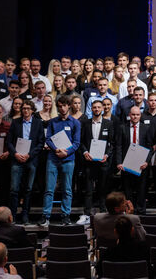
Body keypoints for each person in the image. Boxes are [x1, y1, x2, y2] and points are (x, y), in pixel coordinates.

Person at [41, 95, 82, 225]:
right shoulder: (53, 122)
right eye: (60, 106)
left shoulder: (75, 122)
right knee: (49, 189)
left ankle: (65, 215)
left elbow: (76, 143)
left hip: (68, 159)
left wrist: (66, 152)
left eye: (64, 105)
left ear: (69, 106)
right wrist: (56, 150)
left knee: (67, 189)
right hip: (53, 158)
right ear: (57, 107)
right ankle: (46, 216)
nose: (62, 108)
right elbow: (48, 139)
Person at [79, 98, 116, 221]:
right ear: (91, 109)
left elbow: (112, 143)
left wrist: (107, 155)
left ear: (102, 108)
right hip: (89, 161)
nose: (97, 109)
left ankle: (103, 210)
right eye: (94, 107)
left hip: (102, 161)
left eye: (99, 107)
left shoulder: (109, 124)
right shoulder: (85, 123)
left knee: (102, 187)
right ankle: (87, 212)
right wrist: (85, 152)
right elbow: (81, 141)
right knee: (88, 188)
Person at [8, 99, 44, 223]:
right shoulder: (15, 122)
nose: (26, 111)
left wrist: (29, 155)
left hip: (31, 159)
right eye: (24, 108)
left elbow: (40, 143)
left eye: (28, 108)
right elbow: (9, 142)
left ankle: (25, 215)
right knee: (14, 189)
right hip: (17, 159)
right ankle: (12, 215)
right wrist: (16, 154)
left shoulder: (38, 123)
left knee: (28, 189)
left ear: (32, 110)